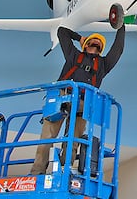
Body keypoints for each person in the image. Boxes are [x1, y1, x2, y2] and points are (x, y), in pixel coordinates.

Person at [30, 24, 126, 175]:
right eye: (92, 40)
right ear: (86, 44)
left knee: (73, 140)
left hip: (84, 103)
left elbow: (118, 49)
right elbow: (61, 31)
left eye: (99, 42)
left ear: (101, 48)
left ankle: (62, 170)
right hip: (62, 97)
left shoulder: (103, 65)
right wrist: (79, 37)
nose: (96, 42)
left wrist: (121, 26)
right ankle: (37, 171)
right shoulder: (73, 54)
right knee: (47, 136)